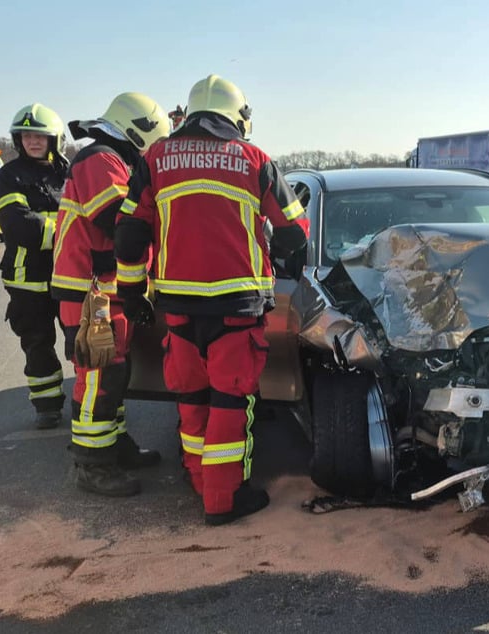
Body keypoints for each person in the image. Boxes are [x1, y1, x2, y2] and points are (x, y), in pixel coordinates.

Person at [116, 75, 309, 525]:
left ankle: (200, 477)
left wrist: (131, 292)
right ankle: (222, 499)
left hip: (177, 307)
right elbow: (295, 233)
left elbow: (128, 235)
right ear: (237, 116)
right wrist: (275, 254)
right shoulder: (254, 159)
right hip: (236, 308)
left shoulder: (156, 158)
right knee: (230, 398)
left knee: (191, 392)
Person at [52, 93, 171, 497]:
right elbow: (117, 220)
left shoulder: (116, 160)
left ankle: (113, 445)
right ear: (140, 128)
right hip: (91, 294)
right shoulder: (98, 159)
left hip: (106, 292)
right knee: (99, 375)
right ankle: (92, 464)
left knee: (114, 372)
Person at [0, 104, 69, 430]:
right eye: (27, 136)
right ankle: (47, 405)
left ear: (54, 139)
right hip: (28, 279)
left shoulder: (68, 172)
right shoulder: (9, 176)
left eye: (40, 135)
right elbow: (17, 225)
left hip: (71, 276)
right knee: (38, 345)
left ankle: (90, 403)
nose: (33, 141)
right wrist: (72, 233)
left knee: (84, 344)